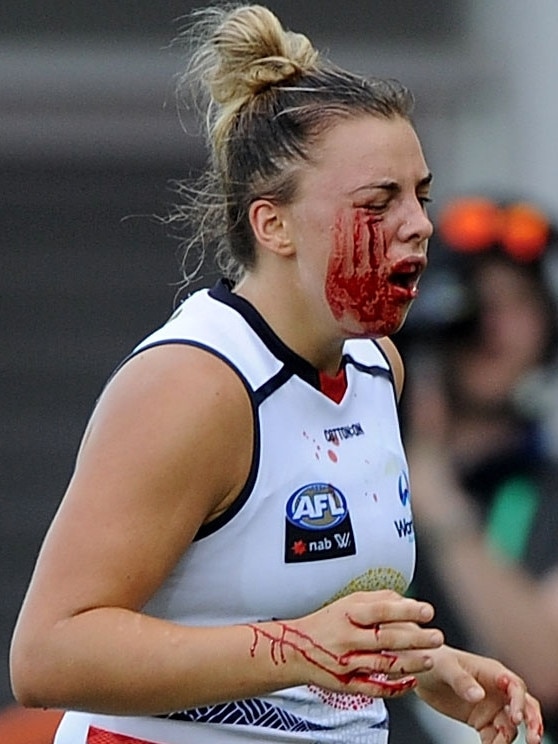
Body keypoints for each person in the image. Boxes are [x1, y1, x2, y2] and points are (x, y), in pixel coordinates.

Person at [9, 6, 543, 744]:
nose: (420, 223)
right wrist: (302, 649)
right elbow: (47, 655)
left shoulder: (376, 365)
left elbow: (302, 609)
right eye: (377, 202)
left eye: (420, 193)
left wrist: (422, 663)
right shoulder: (195, 383)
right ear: (273, 226)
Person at [395, 196, 558, 744]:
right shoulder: (356, 472)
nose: (491, 327)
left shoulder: (550, 492)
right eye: (474, 304)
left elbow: (549, 671)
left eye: (516, 304)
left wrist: (435, 492)